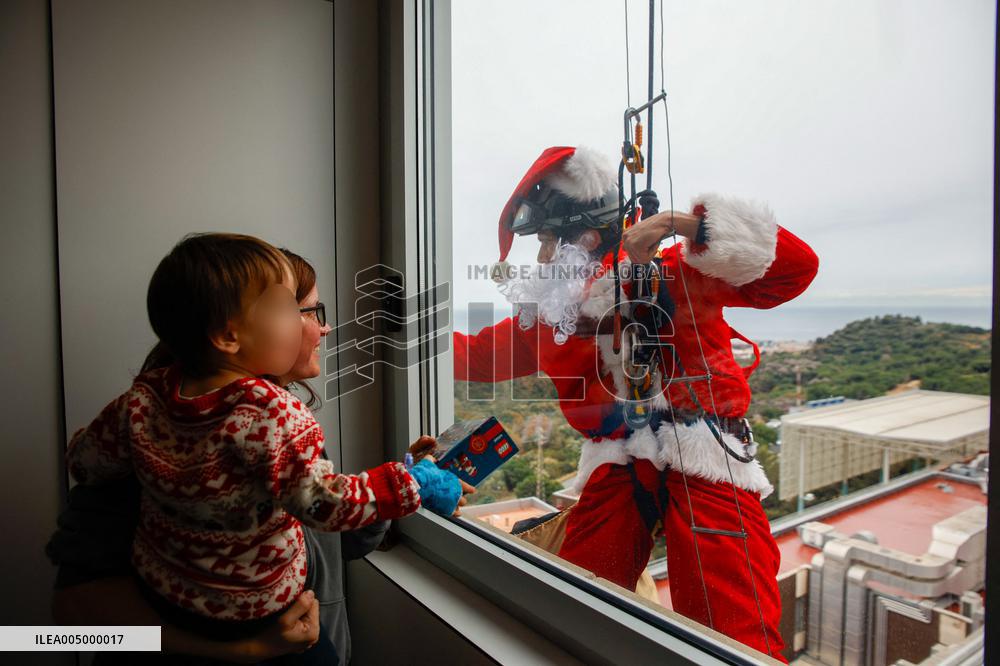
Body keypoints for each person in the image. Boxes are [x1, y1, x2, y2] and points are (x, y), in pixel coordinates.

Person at [452, 146, 819, 662]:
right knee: (576, 602)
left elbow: (795, 270)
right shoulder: (553, 316)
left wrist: (684, 225)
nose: (541, 257)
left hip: (704, 451)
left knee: (736, 633)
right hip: (619, 461)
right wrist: (398, 337)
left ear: (587, 235)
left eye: (550, 241)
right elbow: (478, 357)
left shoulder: (672, 270)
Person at [57, 233, 469, 663]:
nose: (325, 327)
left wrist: (404, 474)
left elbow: (327, 537)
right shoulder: (264, 419)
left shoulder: (149, 408)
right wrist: (242, 649)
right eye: (303, 309)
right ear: (229, 334)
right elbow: (68, 623)